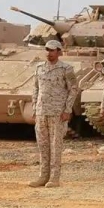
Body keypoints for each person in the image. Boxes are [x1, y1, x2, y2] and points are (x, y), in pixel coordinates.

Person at [30, 40, 79, 188]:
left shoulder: (66, 69)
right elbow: (35, 88)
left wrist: (67, 110)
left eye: (52, 50)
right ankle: (43, 176)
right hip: (41, 112)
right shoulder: (39, 68)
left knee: (56, 146)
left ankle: (54, 178)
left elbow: (73, 89)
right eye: (47, 50)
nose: (49, 53)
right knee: (43, 145)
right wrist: (35, 108)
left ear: (59, 52)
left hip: (57, 113)